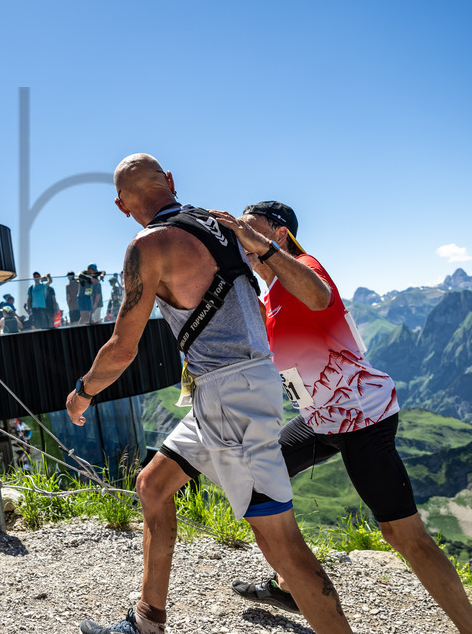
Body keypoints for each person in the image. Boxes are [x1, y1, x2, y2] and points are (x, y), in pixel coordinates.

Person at [67, 154, 351, 634]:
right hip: (230, 389)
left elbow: (122, 348)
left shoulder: (147, 246)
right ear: (171, 182)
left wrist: (82, 392)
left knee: (280, 540)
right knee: (153, 486)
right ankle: (147, 622)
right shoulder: (221, 223)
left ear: (120, 205)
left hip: (228, 397)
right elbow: (291, 300)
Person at [217, 201, 472, 634]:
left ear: (279, 233)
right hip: (321, 419)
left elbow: (319, 297)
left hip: (361, 418)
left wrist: (258, 245)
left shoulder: (304, 265)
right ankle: (289, 584)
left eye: (250, 228)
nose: (240, 238)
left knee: (403, 536)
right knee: (259, 478)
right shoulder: (266, 296)